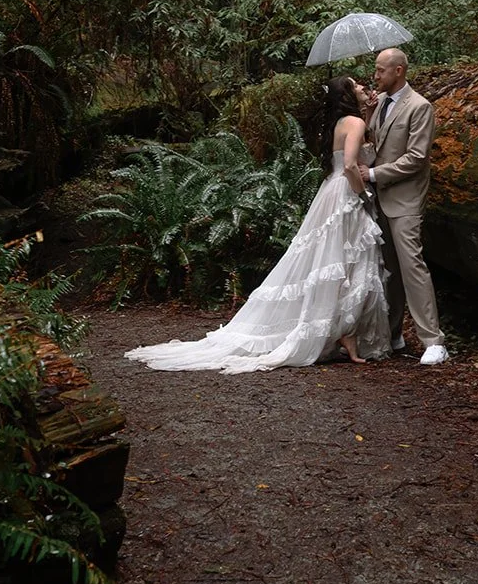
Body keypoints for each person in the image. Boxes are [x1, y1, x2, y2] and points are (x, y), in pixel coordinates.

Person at [125, 76, 390, 373]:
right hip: (346, 195)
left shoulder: (343, 122)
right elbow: (352, 164)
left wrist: (368, 115)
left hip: (331, 190)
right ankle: (345, 330)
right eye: (356, 86)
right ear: (346, 95)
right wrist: (362, 195)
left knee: (337, 262)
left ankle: (345, 329)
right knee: (345, 262)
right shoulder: (354, 123)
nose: (363, 88)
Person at [351, 47, 447, 366]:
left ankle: (433, 341)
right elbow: (373, 145)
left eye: (380, 70)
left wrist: (375, 174)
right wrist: (367, 115)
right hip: (379, 200)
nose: (375, 76)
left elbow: (417, 158)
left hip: (405, 199)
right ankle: (392, 334)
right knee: (387, 270)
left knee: (411, 266)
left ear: (399, 70)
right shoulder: (379, 105)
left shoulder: (420, 107)